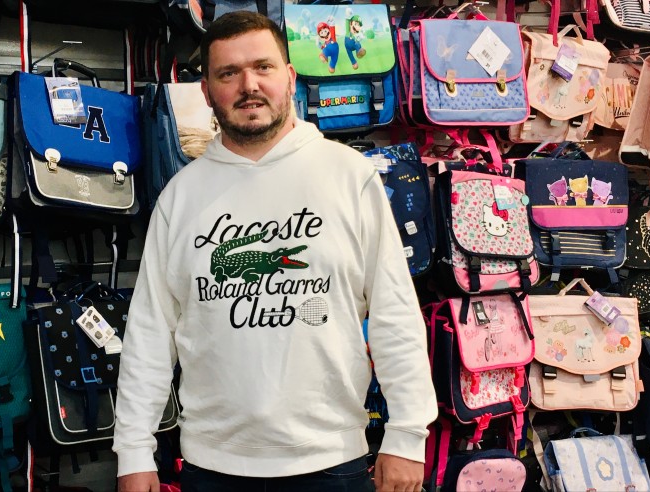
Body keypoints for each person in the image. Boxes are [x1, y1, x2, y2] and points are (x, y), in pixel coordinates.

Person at [113, 10, 437, 492]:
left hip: (332, 462)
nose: (249, 85)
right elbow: (150, 333)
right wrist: (134, 452)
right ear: (207, 91)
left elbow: (395, 315)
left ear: (289, 77)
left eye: (262, 67)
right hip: (212, 465)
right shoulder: (180, 197)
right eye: (229, 73)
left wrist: (408, 434)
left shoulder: (350, 176)